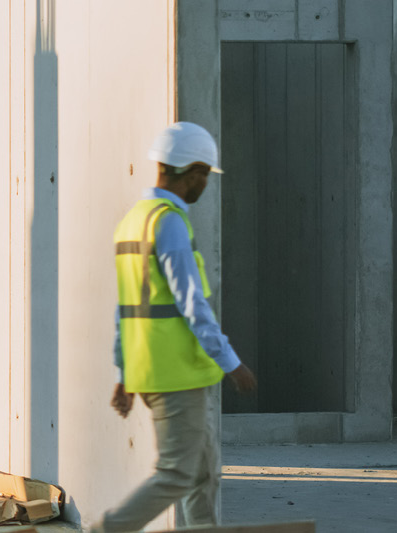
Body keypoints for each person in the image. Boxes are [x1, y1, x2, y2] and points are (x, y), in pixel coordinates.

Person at [96, 123, 258, 531]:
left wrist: (123, 374)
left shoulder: (134, 220)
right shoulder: (168, 222)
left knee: (202, 475)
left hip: (158, 370)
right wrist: (231, 361)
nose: (204, 183)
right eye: (204, 174)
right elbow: (191, 301)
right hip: (175, 373)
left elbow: (125, 311)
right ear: (191, 171)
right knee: (177, 474)